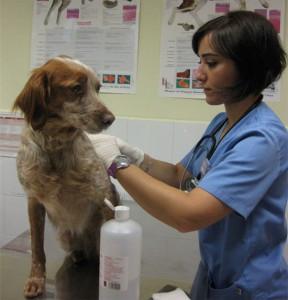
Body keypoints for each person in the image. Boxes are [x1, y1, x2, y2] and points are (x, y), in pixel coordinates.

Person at [90, 10, 288, 300]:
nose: (198, 73)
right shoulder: (222, 124)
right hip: (213, 279)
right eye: (200, 62)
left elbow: (188, 215)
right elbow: (180, 177)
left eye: (211, 63)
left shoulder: (262, 140)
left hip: (251, 289)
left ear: (248, 66)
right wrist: (134, 155)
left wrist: (115, 163)